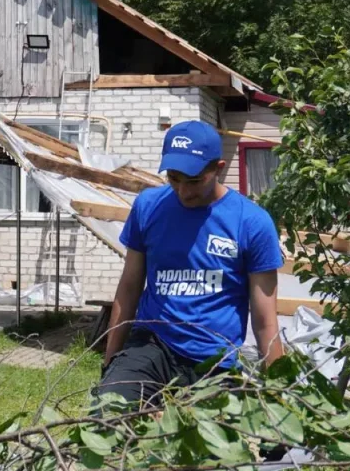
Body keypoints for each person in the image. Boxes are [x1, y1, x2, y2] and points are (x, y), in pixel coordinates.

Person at [96, 120, 285, 409]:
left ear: (218, 168)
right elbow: (129, 288)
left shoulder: (251, 223)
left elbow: (264, 321)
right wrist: (110, 364)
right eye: (174, 178)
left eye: (195, 181)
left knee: (207, 447)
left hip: (214, 359)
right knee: (107, 413)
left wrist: (278, 394)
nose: (183, 191)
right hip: (152, 344)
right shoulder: (149, 206)